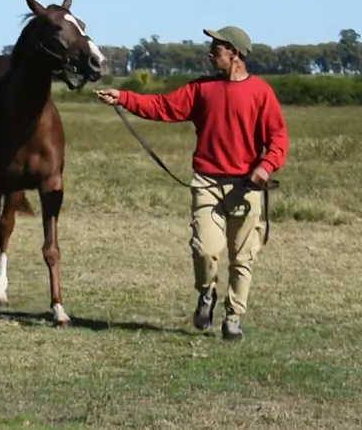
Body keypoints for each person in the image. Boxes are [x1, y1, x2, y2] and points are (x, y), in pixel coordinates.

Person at [95, 26, 289, 340]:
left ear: (234, 53)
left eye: (216, 48)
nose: (210, 53)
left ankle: (233, 317)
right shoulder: (201, 89)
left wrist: (266, 167)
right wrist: (124, 98)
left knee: (242, 259)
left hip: (246, 188)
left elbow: (278, 138)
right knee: (205, 250)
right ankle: (206, 293)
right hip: (207, 183)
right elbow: (161, 106)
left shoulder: (261, 92)